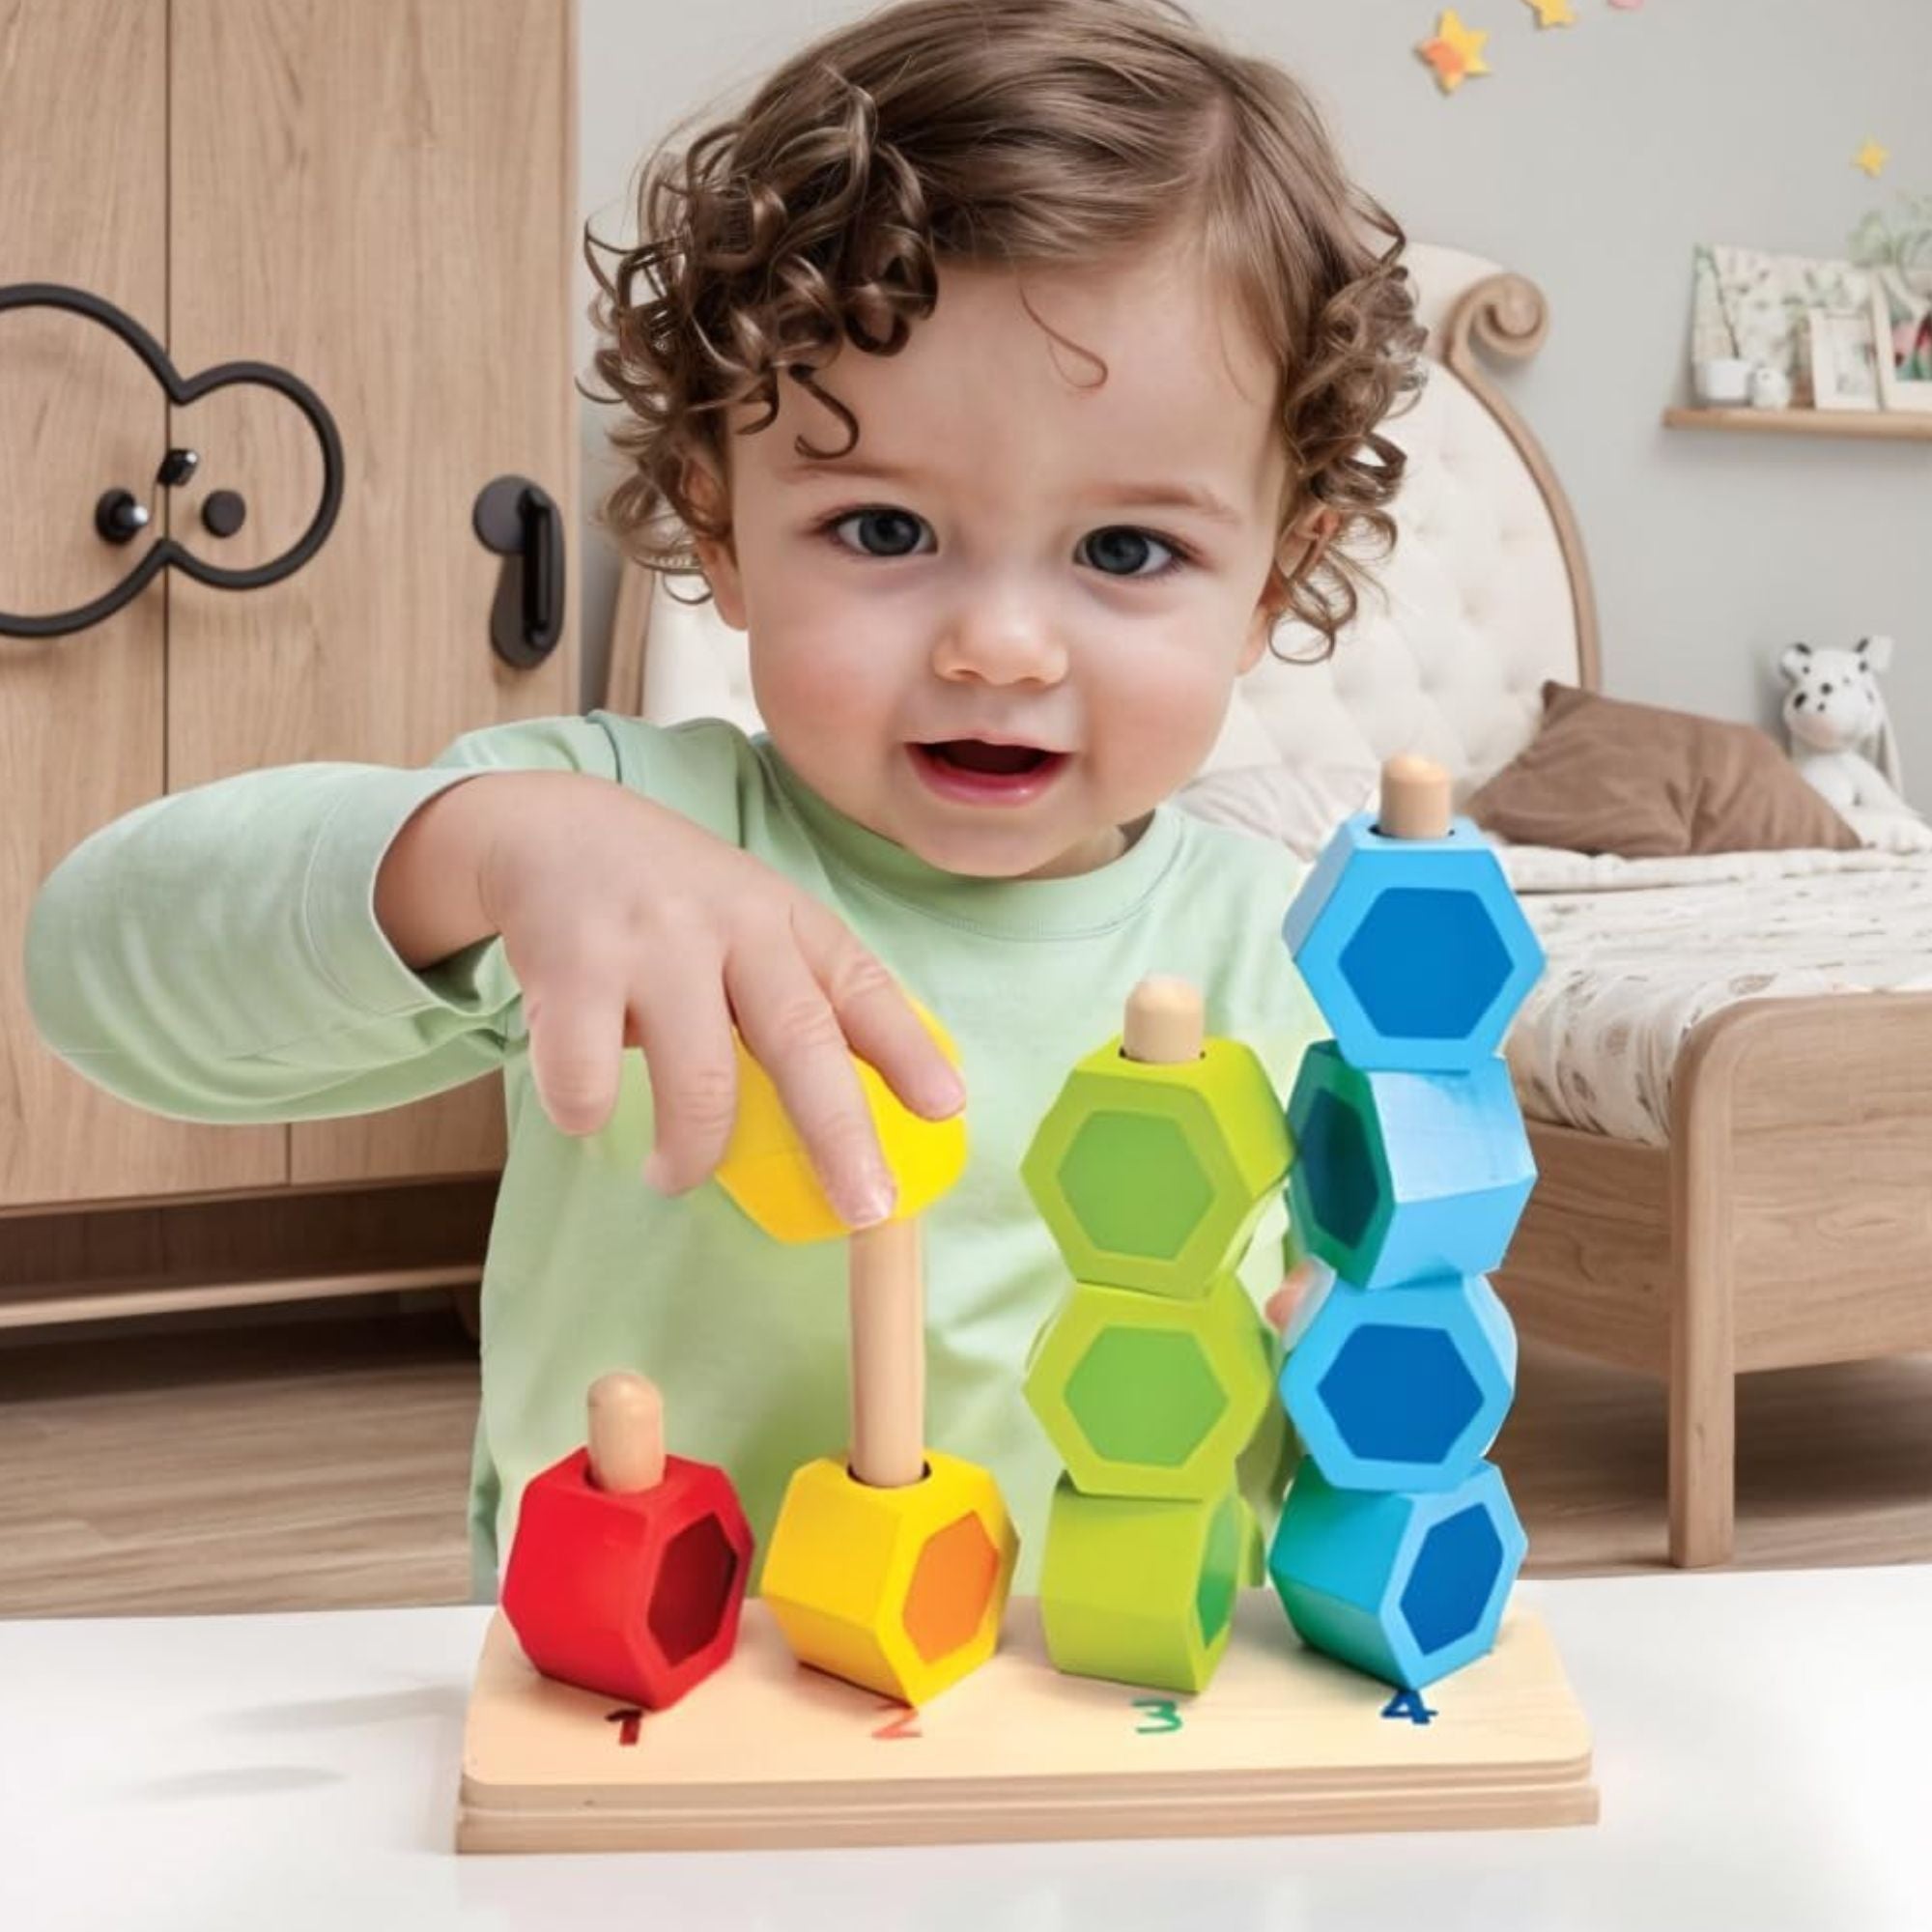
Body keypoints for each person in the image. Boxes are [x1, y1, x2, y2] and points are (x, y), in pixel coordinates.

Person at [23, 0, 1424, 1600]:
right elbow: (91, 970)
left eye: (1126, 552)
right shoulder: (613, 849)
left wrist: (1352, 1358)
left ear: (1272, 585)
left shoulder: (1295, 960)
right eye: (886, 530)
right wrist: (485, 853)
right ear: (722, 527)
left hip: (1120, 1739)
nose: (997, 646)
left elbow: (1354, 1357)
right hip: (652, 1733)